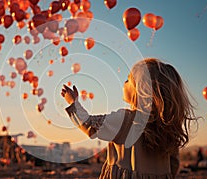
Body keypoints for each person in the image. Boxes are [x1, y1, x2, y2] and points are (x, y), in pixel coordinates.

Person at [61, 58, 198, 179]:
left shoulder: (125, 120)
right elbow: (174, 164)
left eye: (128, 80)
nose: (124, 82)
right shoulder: (167, 127)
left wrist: (74, 103)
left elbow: (89, 125)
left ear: (140, 89)